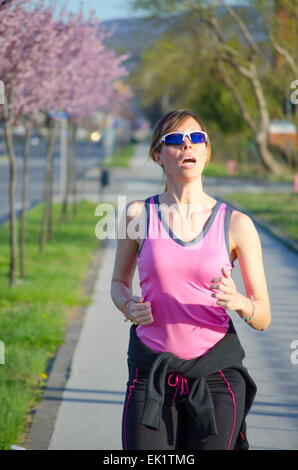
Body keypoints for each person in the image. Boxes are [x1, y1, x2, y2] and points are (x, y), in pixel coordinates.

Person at [110, 109, 271, 450]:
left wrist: (240, 302)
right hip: (150, 374)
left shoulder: (236, 224)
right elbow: (118, 283)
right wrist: (128, 305)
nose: (188, 145)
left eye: (196, 138)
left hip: (216, 377)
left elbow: (263, 317)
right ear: (158, 154)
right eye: (175, 140)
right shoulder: (138, 214)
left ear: (207, 152)